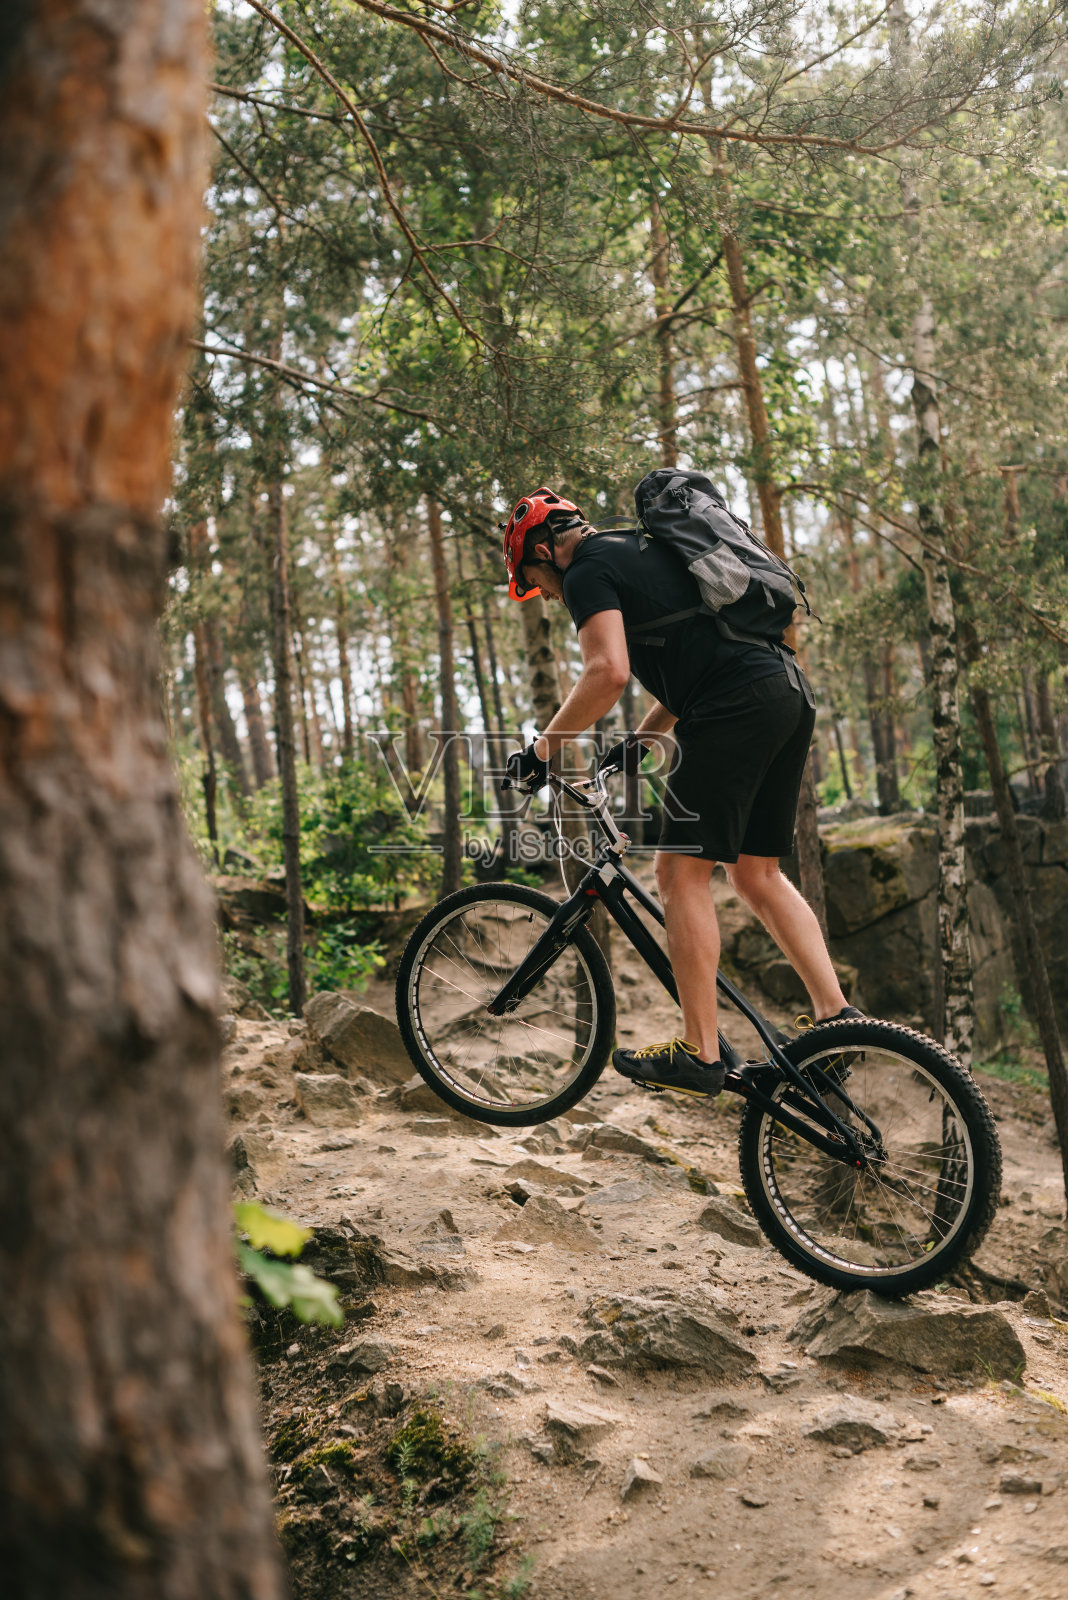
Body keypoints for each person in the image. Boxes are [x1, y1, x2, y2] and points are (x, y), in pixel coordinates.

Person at [502, 486, 859, 1097]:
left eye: (536, 581)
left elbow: (607, 672)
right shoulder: (644, 549)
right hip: (783, 691)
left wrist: (542, 752)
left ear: (543, 550)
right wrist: (640, 743)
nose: (548, 593)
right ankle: (837, 1021)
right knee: (755, 874)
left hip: (736, 706)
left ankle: (699, 1050)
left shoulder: (587, 569)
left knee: (677, 874)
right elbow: (697, 658)